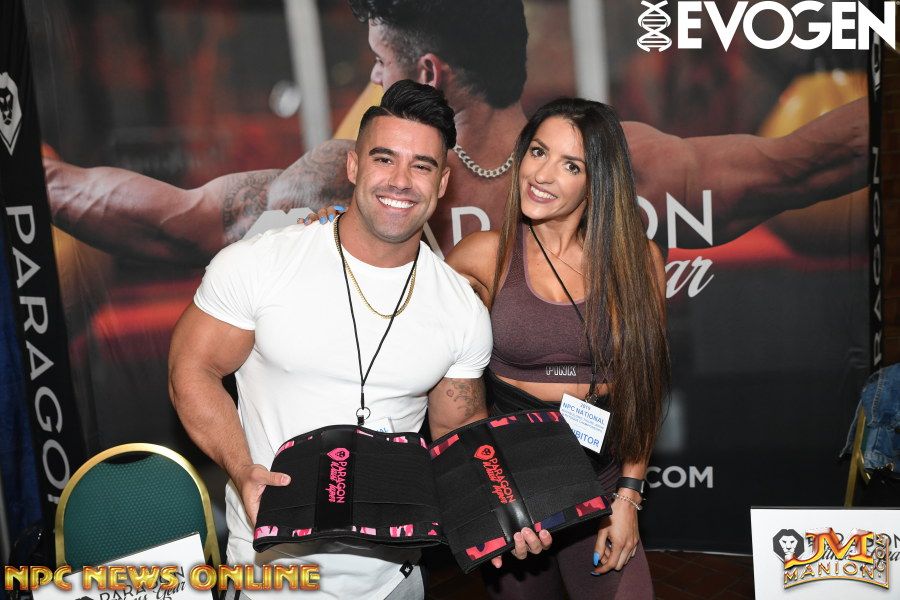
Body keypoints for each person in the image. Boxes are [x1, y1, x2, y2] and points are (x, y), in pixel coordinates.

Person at [43, 0, 867, 264]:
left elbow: (176, 222)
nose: (373, 82)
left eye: (379, 63)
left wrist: (42, 179)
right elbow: (802, 166)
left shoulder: (351, 178)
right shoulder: (622, 163)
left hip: (561, 493)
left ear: (427, 73)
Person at [167, 80, 548, 600]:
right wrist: (243, 470)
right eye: (384, 158)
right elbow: (191, 369)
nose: (401, 181)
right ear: (352, 166)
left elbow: (458, 436)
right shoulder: (260, 264)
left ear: (442, 183)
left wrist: (504, 513)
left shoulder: (460, 309)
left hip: (394, 581)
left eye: (422, 166)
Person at [444, 98, 669, 599]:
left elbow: (643, 389)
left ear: (597, 181)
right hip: (513, 491)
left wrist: (629, 496)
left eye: (571, 165)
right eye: (538, 152)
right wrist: (335, 233)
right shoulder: (483, 255)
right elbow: (404, 309)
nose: (542, 175)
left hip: (602, 478)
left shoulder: (640, 263)